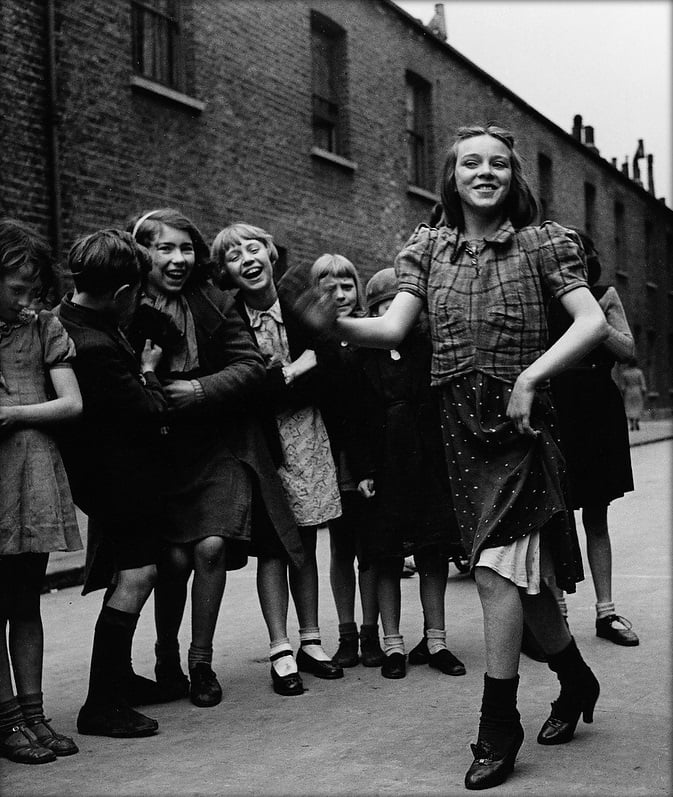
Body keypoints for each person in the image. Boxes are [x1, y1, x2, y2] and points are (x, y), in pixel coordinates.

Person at [288, 123, 607, 790]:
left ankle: (498, 725)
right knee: (524, 584)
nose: (483, 171)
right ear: (452, 175)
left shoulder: (544, 243)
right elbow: (392, 328)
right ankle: (575, 678)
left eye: (496, 162)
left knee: (493, 572)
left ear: (512, 176)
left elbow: (590, 322)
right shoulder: (426, 247)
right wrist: (332, 325)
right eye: (470, 163)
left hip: (521, 425)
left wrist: (528, 377)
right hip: (457, 430)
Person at [129, 209, 302, 704]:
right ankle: (165, 654)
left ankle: (199, 662)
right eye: (166, 248)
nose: (179, 259)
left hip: (218, 445)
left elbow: (250, 365)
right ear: (143, 252)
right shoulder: (126, 305)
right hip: (160, 450)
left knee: (209, 548)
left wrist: (201, 390)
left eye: (186, 248)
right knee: (174, 557)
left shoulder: (213, 302)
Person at [211, 222, 344, 688]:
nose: (247, 259)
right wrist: (295, 370)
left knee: (305, 541)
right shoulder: (229, 320)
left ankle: (310, 639)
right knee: (272, 546)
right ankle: (279, 647)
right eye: (233, 256)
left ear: (271, 256)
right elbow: (245, 389)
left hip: (308, 436)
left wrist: (285, 374)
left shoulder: (298, 311)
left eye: (254, 249)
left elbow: (330, 368)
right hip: (261, 444)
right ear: (226, 272)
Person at [57, 229, 175, 738]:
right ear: (124, 292)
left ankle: (119, 681)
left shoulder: (71, 320)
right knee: (138, 575)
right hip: (117, 477)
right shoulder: (95, 344)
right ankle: (101, 703)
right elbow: (147, 410)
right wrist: (149, 373)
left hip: (106, 475)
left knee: (133, 573)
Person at [345, 267, 465, 681]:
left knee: (432, 553)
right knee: (387, 557)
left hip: (428, 465)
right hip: (385, 468)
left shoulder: (429, 352)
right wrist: (363, 470)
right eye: (383, 307)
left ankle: (436, 640)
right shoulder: (360, 359)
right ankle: (393, 643)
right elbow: (354, 423)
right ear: (372, 313)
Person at [0, 219, 82, 764]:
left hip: (30, 473)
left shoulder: (45, 328)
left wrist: (13, 413)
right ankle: (7, 721)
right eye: (15, 288)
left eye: (33, 289)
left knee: (25, 600)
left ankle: (34, 714)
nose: (27, 299)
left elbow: (70, 404)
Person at [548, 231, 639, 647]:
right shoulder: (544, 300)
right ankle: (557, 615)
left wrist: (595, 322)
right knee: (555, 515)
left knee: (596, 515)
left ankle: (606, 612)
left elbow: (628, 350)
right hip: (555, 408)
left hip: (597, 409)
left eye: (576, 257)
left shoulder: (604, 295)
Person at [308, 254, 384, 669]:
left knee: (368, 547)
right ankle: (346, 633)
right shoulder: (312, 340)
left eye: (346, 286)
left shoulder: (370, 335)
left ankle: (372, 631)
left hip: (368, 455)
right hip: (331, 455)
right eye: (327, 286)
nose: (338, 294)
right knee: (340, 547)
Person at [618, 358, 647, 431]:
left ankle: (631, 423)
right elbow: (643, 384)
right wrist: (643, 391)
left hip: (628, 392)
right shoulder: (639, 372)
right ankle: (636, 420)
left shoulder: (625, 373)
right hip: (637, 391)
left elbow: (623, 386)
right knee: (637, 406)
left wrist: (623, 392)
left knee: (629, 407)